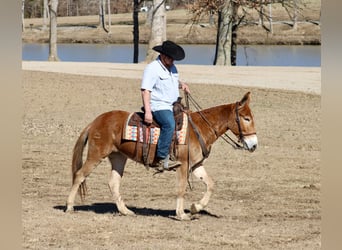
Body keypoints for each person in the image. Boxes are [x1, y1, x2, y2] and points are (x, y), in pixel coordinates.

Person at [141, 40, 190, 171]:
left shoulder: (172, 68)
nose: (172, 60)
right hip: (158, 105)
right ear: (162, 55)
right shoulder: (152, 68)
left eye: (174, 58)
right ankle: (161, 158)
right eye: (170, 57)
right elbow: (146, 90)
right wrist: (148, 111)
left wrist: (181, 84)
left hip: (172, 104)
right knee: (169, 124)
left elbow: (171, 81)